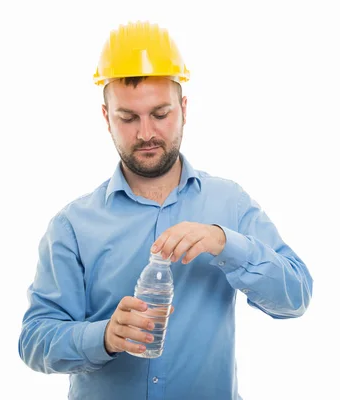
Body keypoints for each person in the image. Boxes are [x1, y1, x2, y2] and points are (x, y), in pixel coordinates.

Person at [18, 21, 313, 400]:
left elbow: (296, 296)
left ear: (184, 109)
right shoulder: (72, 226)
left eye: (160, 114)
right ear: (106, 117)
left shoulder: (230, 203)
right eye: (128, 117)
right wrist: (103, 336)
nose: (145, 134)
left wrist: (227, 244)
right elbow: (35, 340)